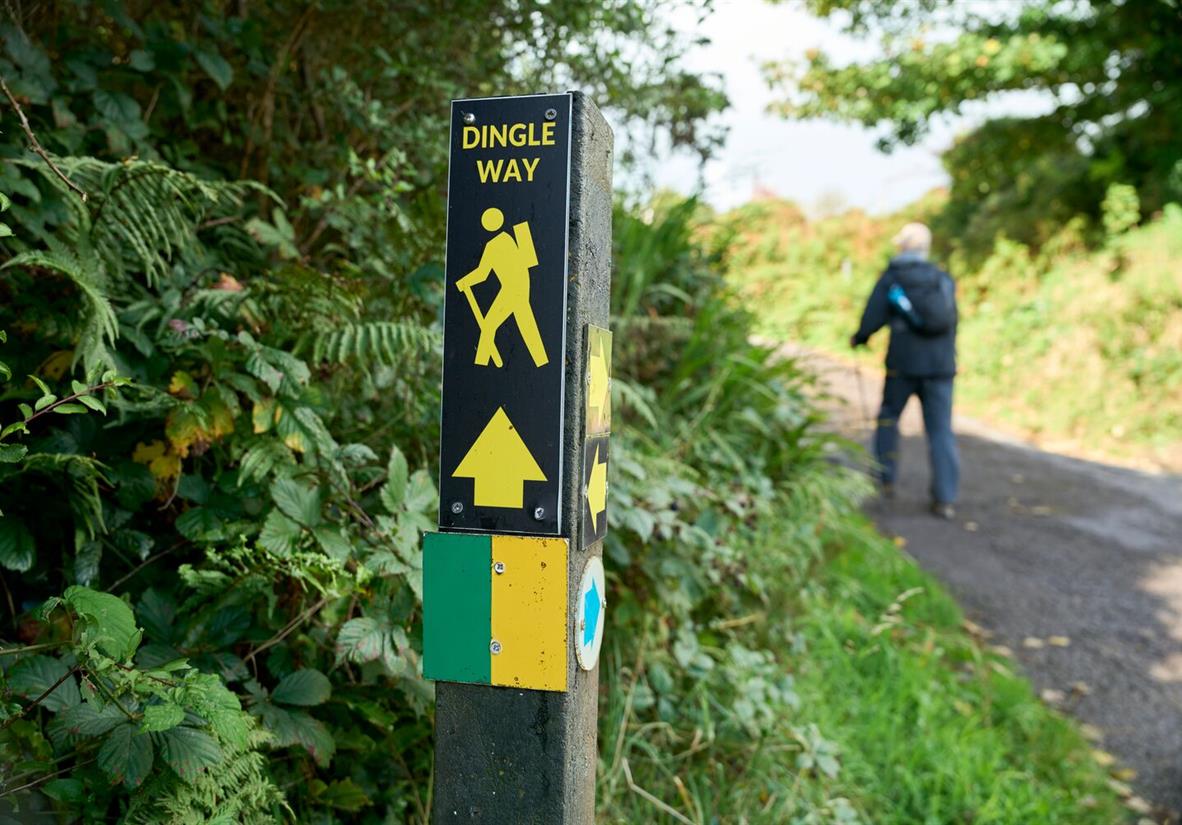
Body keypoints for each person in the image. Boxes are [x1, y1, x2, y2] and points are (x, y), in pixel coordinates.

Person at [850, 222, 960, 519]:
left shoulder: (893, 278)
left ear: (902, 246)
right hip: (940, 368)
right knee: (940, 430)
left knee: (888, 419)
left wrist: (860, 338)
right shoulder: (942, 278)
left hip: (903, 365)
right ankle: (945, 498)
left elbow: (873, 315)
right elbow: (951, 322)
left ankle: (884, 481)